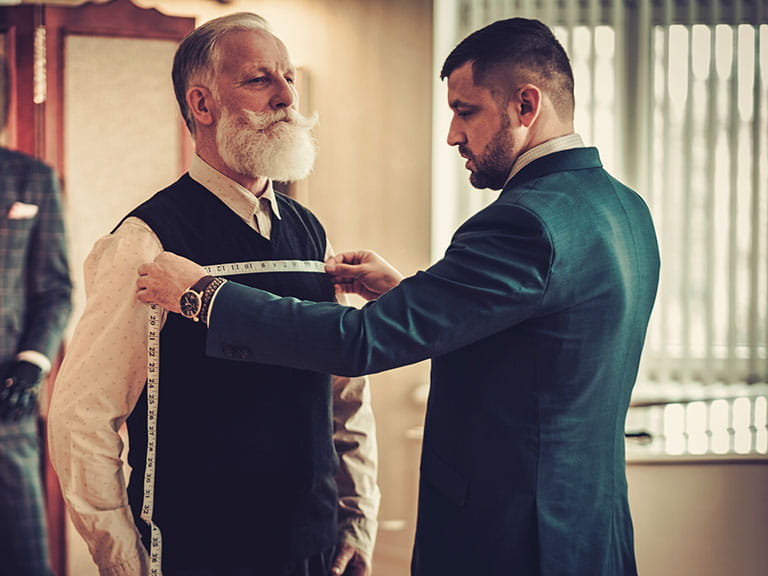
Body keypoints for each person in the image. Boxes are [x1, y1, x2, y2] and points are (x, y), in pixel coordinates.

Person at [137, 17, 662, 576]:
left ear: (525, 105)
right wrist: (406, 292)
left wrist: (205, 297)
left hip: (512, 540)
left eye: (466, 111)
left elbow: (357, 340)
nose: (453, 135)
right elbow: (533, 333)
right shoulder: (625, 209)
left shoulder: (522, 223)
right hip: (592, 532)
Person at [48, 13, 379, 576]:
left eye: (288, 77)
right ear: (202, 106)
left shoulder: (310, 229)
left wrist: (357, 516)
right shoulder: (145, 240)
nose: (285, 96)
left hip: (316, 546)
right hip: (198, 550)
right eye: (259, 80)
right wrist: (126, 561)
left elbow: (344, 392)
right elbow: (83, 419)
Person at [0, 53, 73, 576]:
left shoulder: (32, 180)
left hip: (6, 403)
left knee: (25, 560)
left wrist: (31, 364)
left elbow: (56, 289)